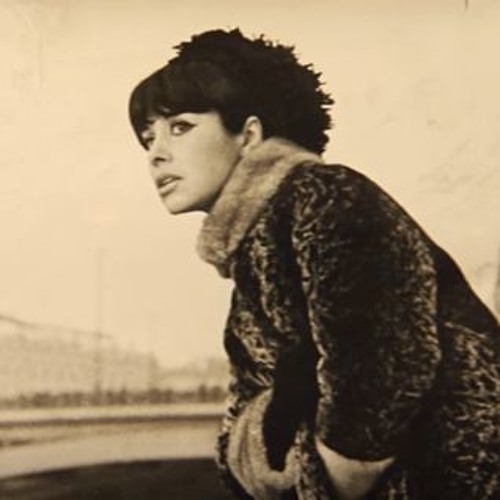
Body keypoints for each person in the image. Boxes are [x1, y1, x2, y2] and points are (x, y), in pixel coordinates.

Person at [128, 28, 500, 499]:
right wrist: (258, 459)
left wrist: (333, 476)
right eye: (148, 139)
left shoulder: (325, 196)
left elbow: (387, 360)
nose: (156, 154)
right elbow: (254, 396)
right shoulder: (252, 253)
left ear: (249, 135)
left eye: (180, 127)